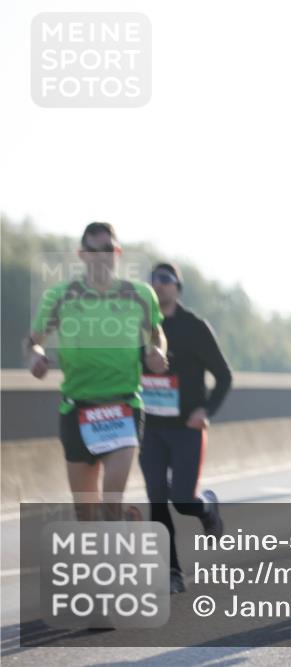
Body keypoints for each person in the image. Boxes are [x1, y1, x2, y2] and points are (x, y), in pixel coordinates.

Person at [25, 222, 168, 521]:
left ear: (117, 253)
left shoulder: (139, 294)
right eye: (95, 250)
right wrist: (35, 357)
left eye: (109, 249)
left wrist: (158, 352)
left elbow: (156, 334)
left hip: (123, 407)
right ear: (82, 255)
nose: (103, 256)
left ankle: (120, 530)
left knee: (112, 501)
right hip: (77, 408)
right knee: (86, 515)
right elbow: (33, 342)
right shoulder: (60, 296)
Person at [140, 262, 230, 594]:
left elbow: (224, 375)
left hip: (187, 428)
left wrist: (206, 410)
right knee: (156, 499)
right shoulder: (139, 328)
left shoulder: (194, 327)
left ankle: (205, 506)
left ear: (177, 287)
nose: (159, 285)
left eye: (166, 280)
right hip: (150, 427)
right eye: (154, 280)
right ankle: (172, 572)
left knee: (181, 499)